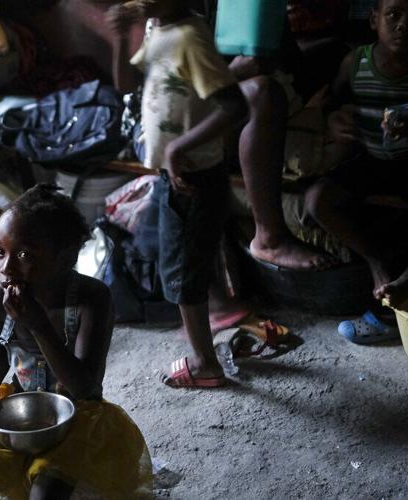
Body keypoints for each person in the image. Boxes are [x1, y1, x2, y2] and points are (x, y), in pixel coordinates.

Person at [0, 185, 153, 500]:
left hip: (78, 414)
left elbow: (86, 388)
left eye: (24, 254)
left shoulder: (91, 300)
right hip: (20, 399)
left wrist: (38, 323)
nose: (7, 267)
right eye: (0, 251)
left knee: (45, 494)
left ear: (68, 255)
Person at [109, 0, 248, 387]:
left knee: (183, 269)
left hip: (194, 175)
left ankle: (205, 362)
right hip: (176, 175)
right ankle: (214, 311)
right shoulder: (158, 28)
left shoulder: (190, 36)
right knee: (176, 252)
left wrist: (177, 148)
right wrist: (120, 38)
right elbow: (126, 84)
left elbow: (235, 106)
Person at [305, 0, 408, 342]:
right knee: (317, 199)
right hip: (372, 159)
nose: (403, 25)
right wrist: (333, 120)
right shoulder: (356, 63)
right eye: (394, 14)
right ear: (374, 19)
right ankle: (375, 261)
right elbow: (333, 102)